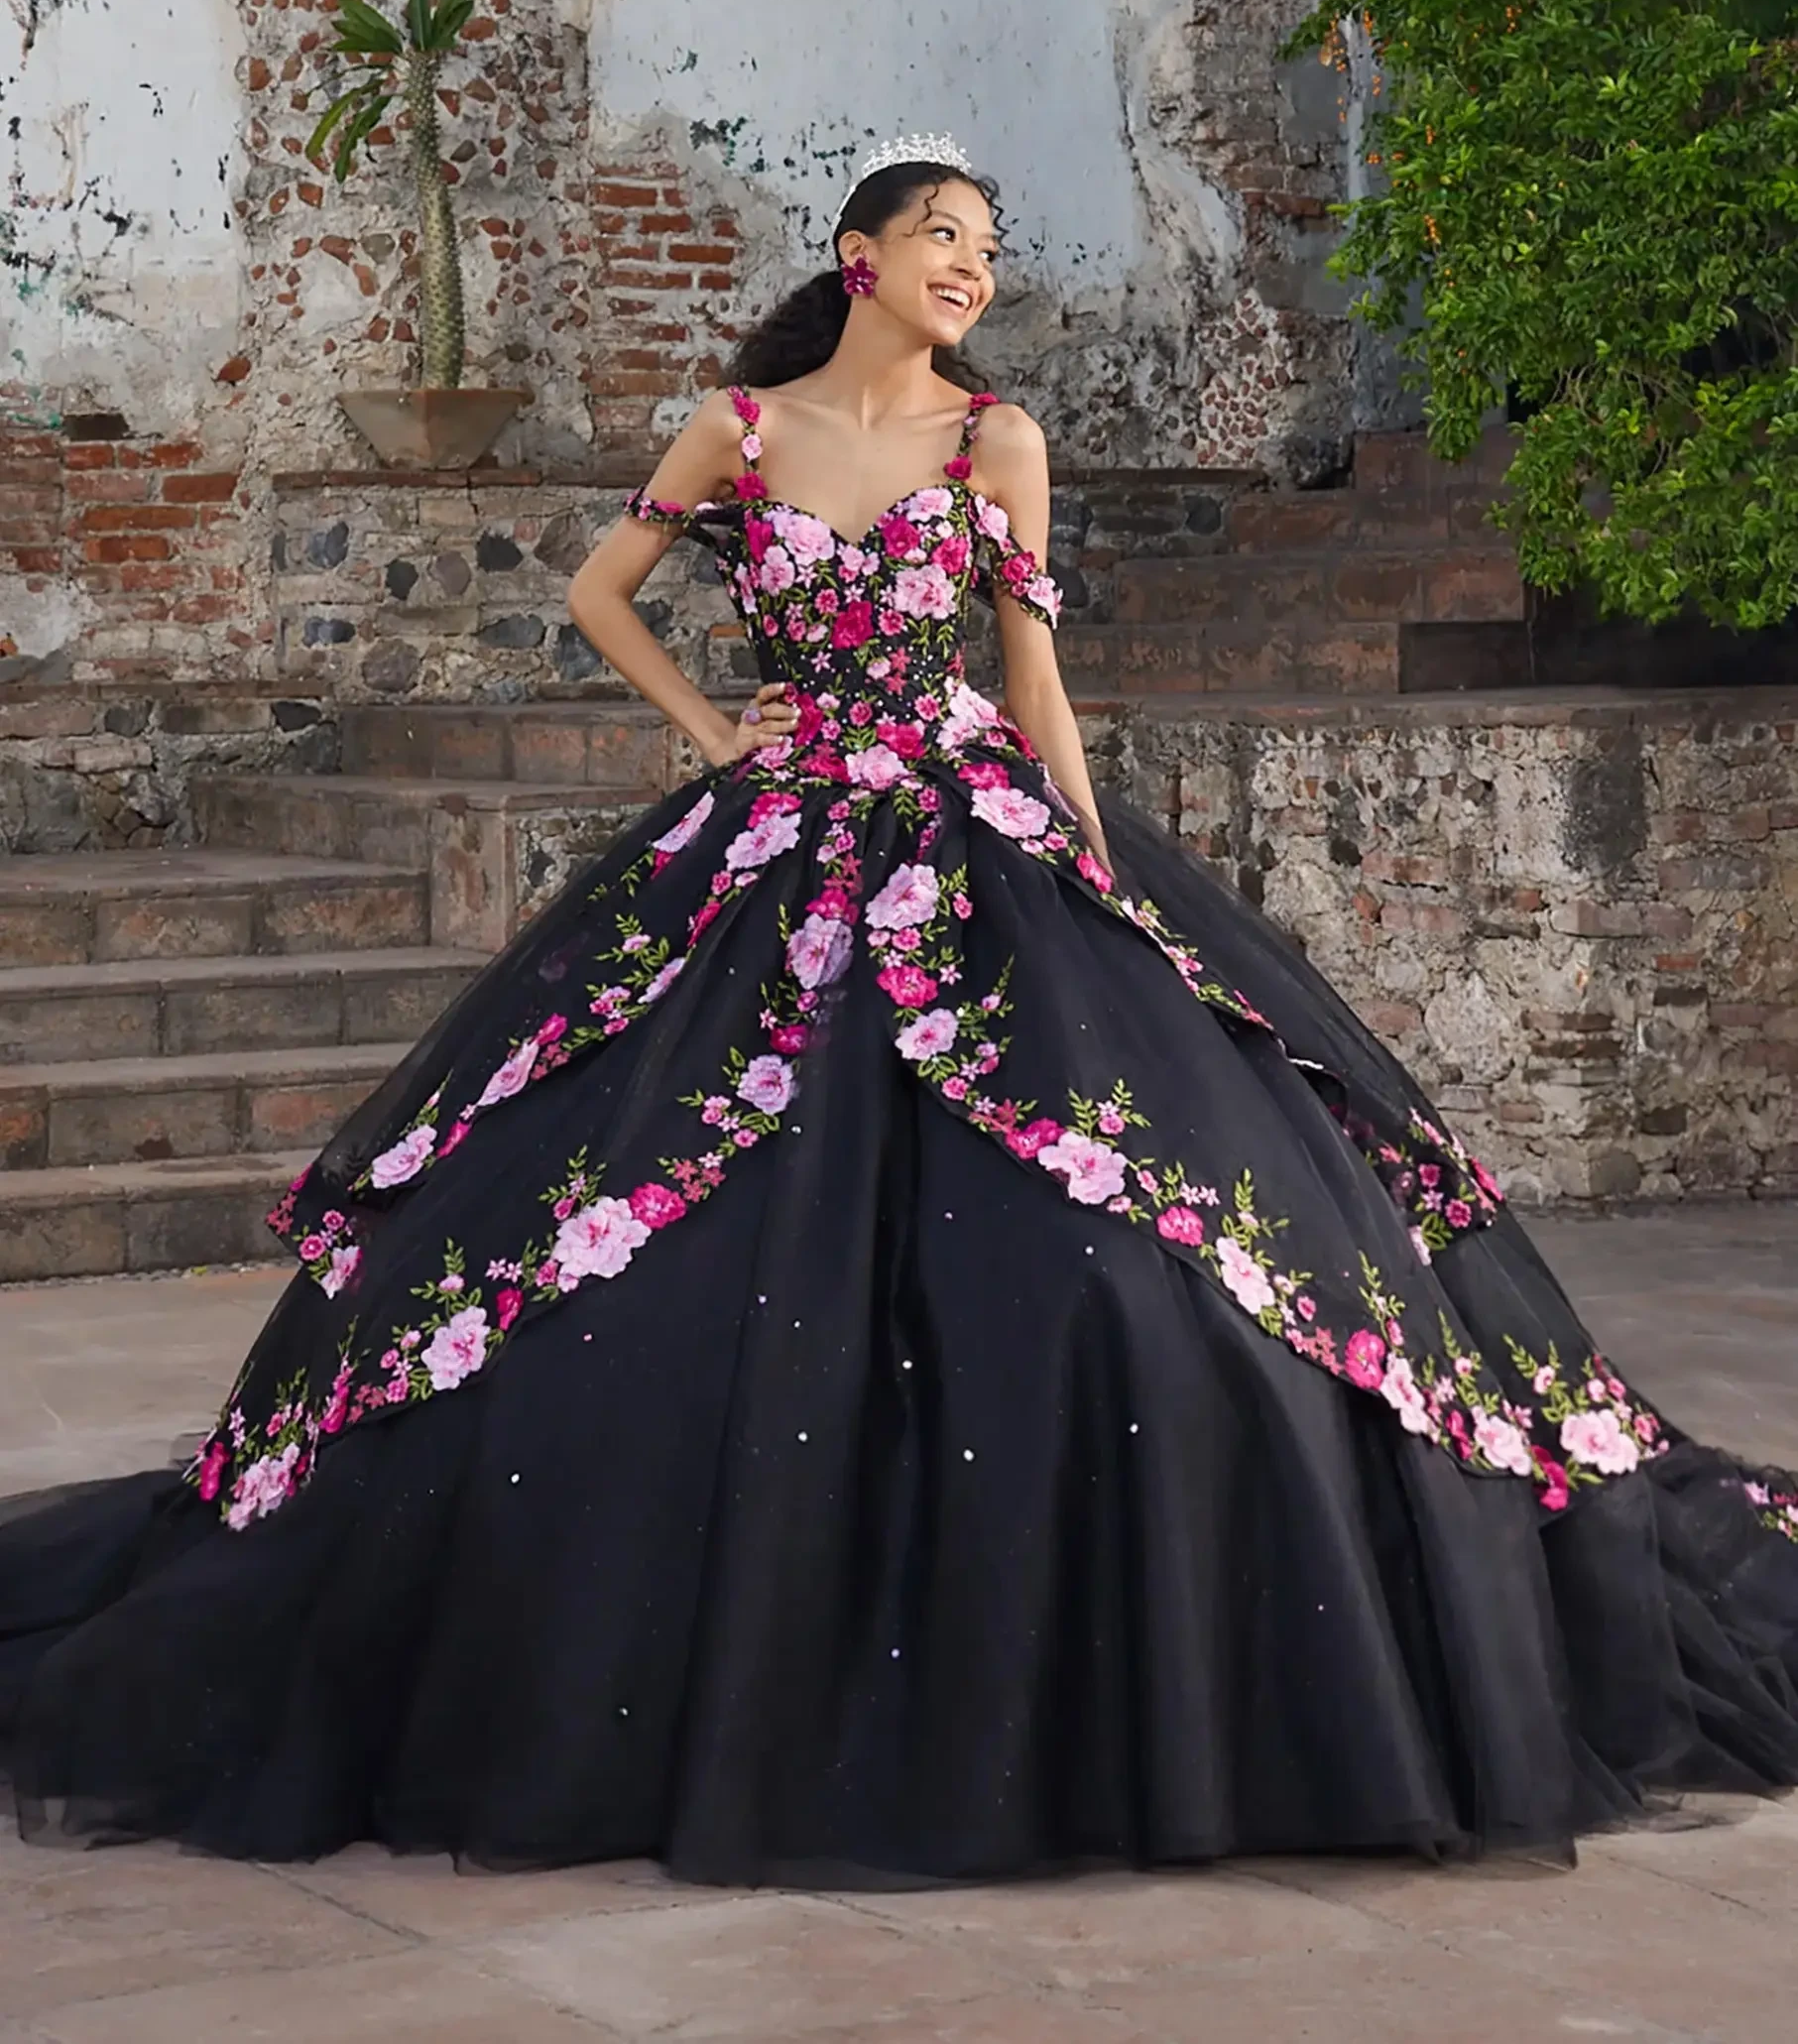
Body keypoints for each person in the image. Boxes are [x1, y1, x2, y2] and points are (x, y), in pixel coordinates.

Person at [4, 136, 1798, 1882]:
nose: (977, 268)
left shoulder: (995, 437)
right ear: (862, 253)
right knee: (607, 1241)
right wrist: (715, 741)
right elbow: (599, 592)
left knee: (1126, 1252)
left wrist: (1100, 874)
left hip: (973, 838)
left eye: (993, 249)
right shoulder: (745, 428)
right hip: (772, 850)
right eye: (947, 233)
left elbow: (1031, 670)